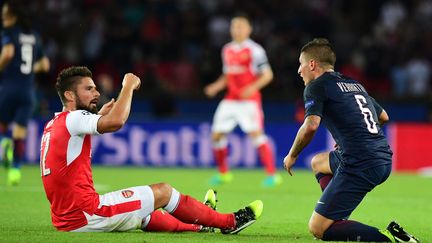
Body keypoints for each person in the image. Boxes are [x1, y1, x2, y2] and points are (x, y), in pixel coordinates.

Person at [40, 66, 263, 233]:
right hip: (88, 213)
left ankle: (200, 224)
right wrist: (127, 86)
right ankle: (229, 223)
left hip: (65, 217)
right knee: (163, 191)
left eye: (96, 88)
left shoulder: (54, 124)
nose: (96, 93)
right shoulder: (75, 118)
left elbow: (75, 139)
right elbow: (116, 122)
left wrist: (97, 116)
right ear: (70, 96)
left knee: (144, 213)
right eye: (89, 89)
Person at [283, 38, 420, 242]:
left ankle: (389, 237)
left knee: (318, 228)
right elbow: (384, 117)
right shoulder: (353, 84)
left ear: (312, 64)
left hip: (360, 162)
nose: (299, 71)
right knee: (319, 163)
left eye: (301, 64)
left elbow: (310, 126)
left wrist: (292, 155)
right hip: (382, 158)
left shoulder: (316, 87)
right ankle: (338, 219)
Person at [204, 15, 281, 187]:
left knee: (256, 135)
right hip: (230, 99)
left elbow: (268, 75)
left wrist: (252, 88)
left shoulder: (255, 50)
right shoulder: (227, 49)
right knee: (216, 135)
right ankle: (224, 173)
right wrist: (216, 86)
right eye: (234, 27)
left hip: (249, 101)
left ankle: (272, 175)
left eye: (241, 26)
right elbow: (227, 74)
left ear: (248, 29)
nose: (237, 30)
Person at [0, 0, 50, 185]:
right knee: (20, 133)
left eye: (5, 14)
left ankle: (5, 142)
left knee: (3, 124)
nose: (3, 18)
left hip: (9, 87)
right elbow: (45, 65)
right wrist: (28, 69)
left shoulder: (9, 33)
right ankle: (15, 170)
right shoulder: (34, 36)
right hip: (28, 92)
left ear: (13, 16)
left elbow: (7, 54)